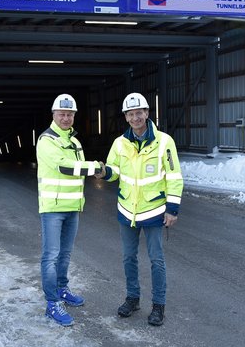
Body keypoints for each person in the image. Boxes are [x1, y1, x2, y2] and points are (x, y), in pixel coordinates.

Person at [100, 92, 183, 326]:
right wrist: (104, 172)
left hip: (155, 211)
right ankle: (133, 298)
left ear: (147, 113)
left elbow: (174, 177)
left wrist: (172, 209)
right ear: (125, 117)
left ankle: (158, 305)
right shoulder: (119, 143)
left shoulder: (165, 142)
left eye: (139, 113)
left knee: (156, 260)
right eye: (130, 114)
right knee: (128, 258)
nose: (135, 117)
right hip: (127, 210)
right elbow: (114, 171)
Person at [36, 93, 104, 326]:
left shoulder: (75, 142)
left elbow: (77, 170)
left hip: (72, 207)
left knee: (65, 254)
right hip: (53, 208)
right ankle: (52, 302)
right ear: (54, 115)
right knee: (51, 256)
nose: (66, 118)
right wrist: (95, 167)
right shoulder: (46, 140)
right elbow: (65, 167)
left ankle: (62, 289)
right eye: (62, 114)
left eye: (70, 114)